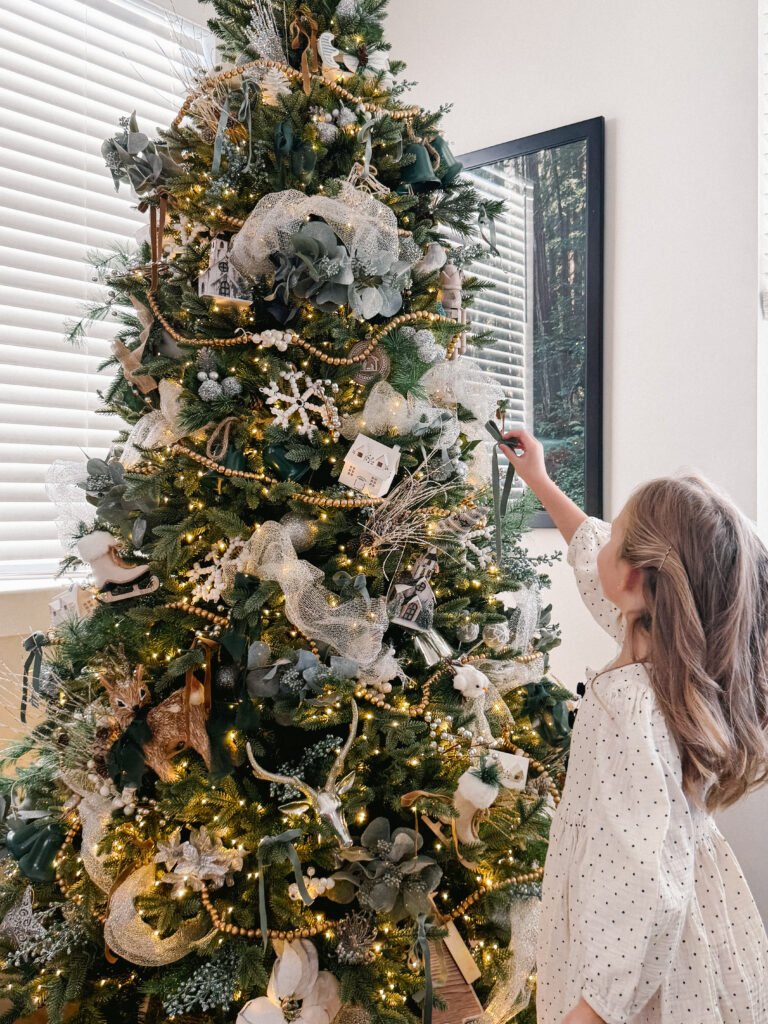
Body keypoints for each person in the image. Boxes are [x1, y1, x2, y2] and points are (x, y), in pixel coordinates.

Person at [500, 428, 768, 1024]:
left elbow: (640, 882)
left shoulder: (631, 706)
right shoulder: (678, 652)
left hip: (636, 957)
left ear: (636, 578)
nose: (600, 538)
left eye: (614, 534)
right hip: (685, 928)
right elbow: (593, 556)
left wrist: (592, 1010)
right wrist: (539, 481)